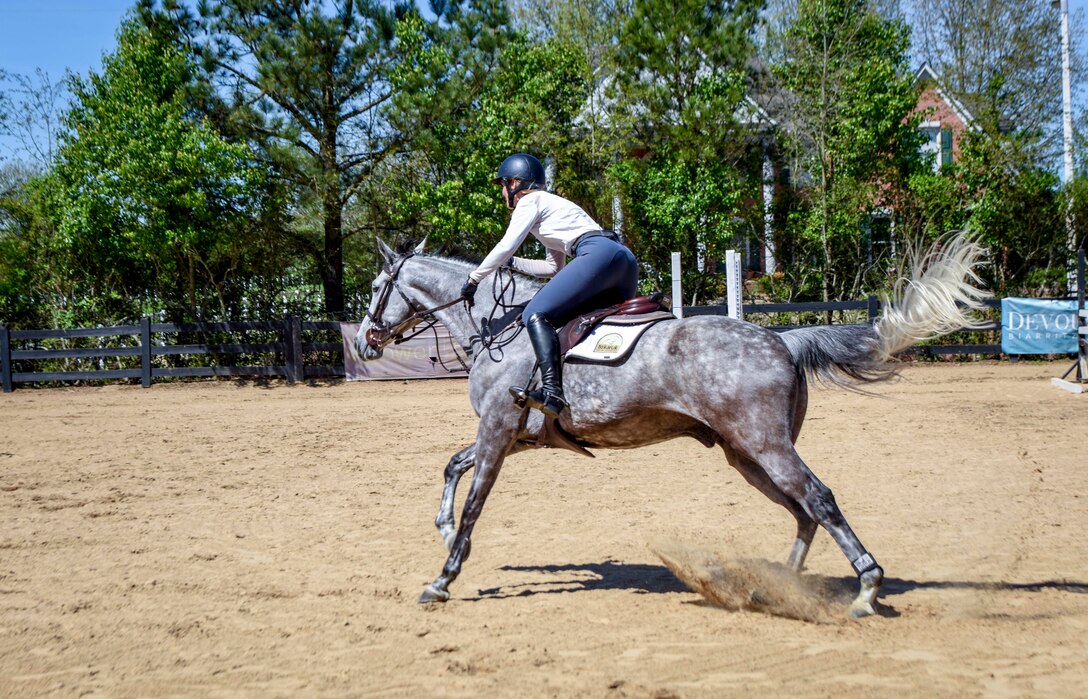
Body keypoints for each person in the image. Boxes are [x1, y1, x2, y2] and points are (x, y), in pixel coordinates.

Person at [460, 153, 639, 417]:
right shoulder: (553, 205)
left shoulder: (529, 201)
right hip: (623, 259)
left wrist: (475, 277)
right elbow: (553, 268)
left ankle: (552, 392)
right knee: (588, 321)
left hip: (597, 255)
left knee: (535, 313)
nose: (502, 192)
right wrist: (513, 263)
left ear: (514, 184)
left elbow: (505, 245)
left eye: (503, 185)